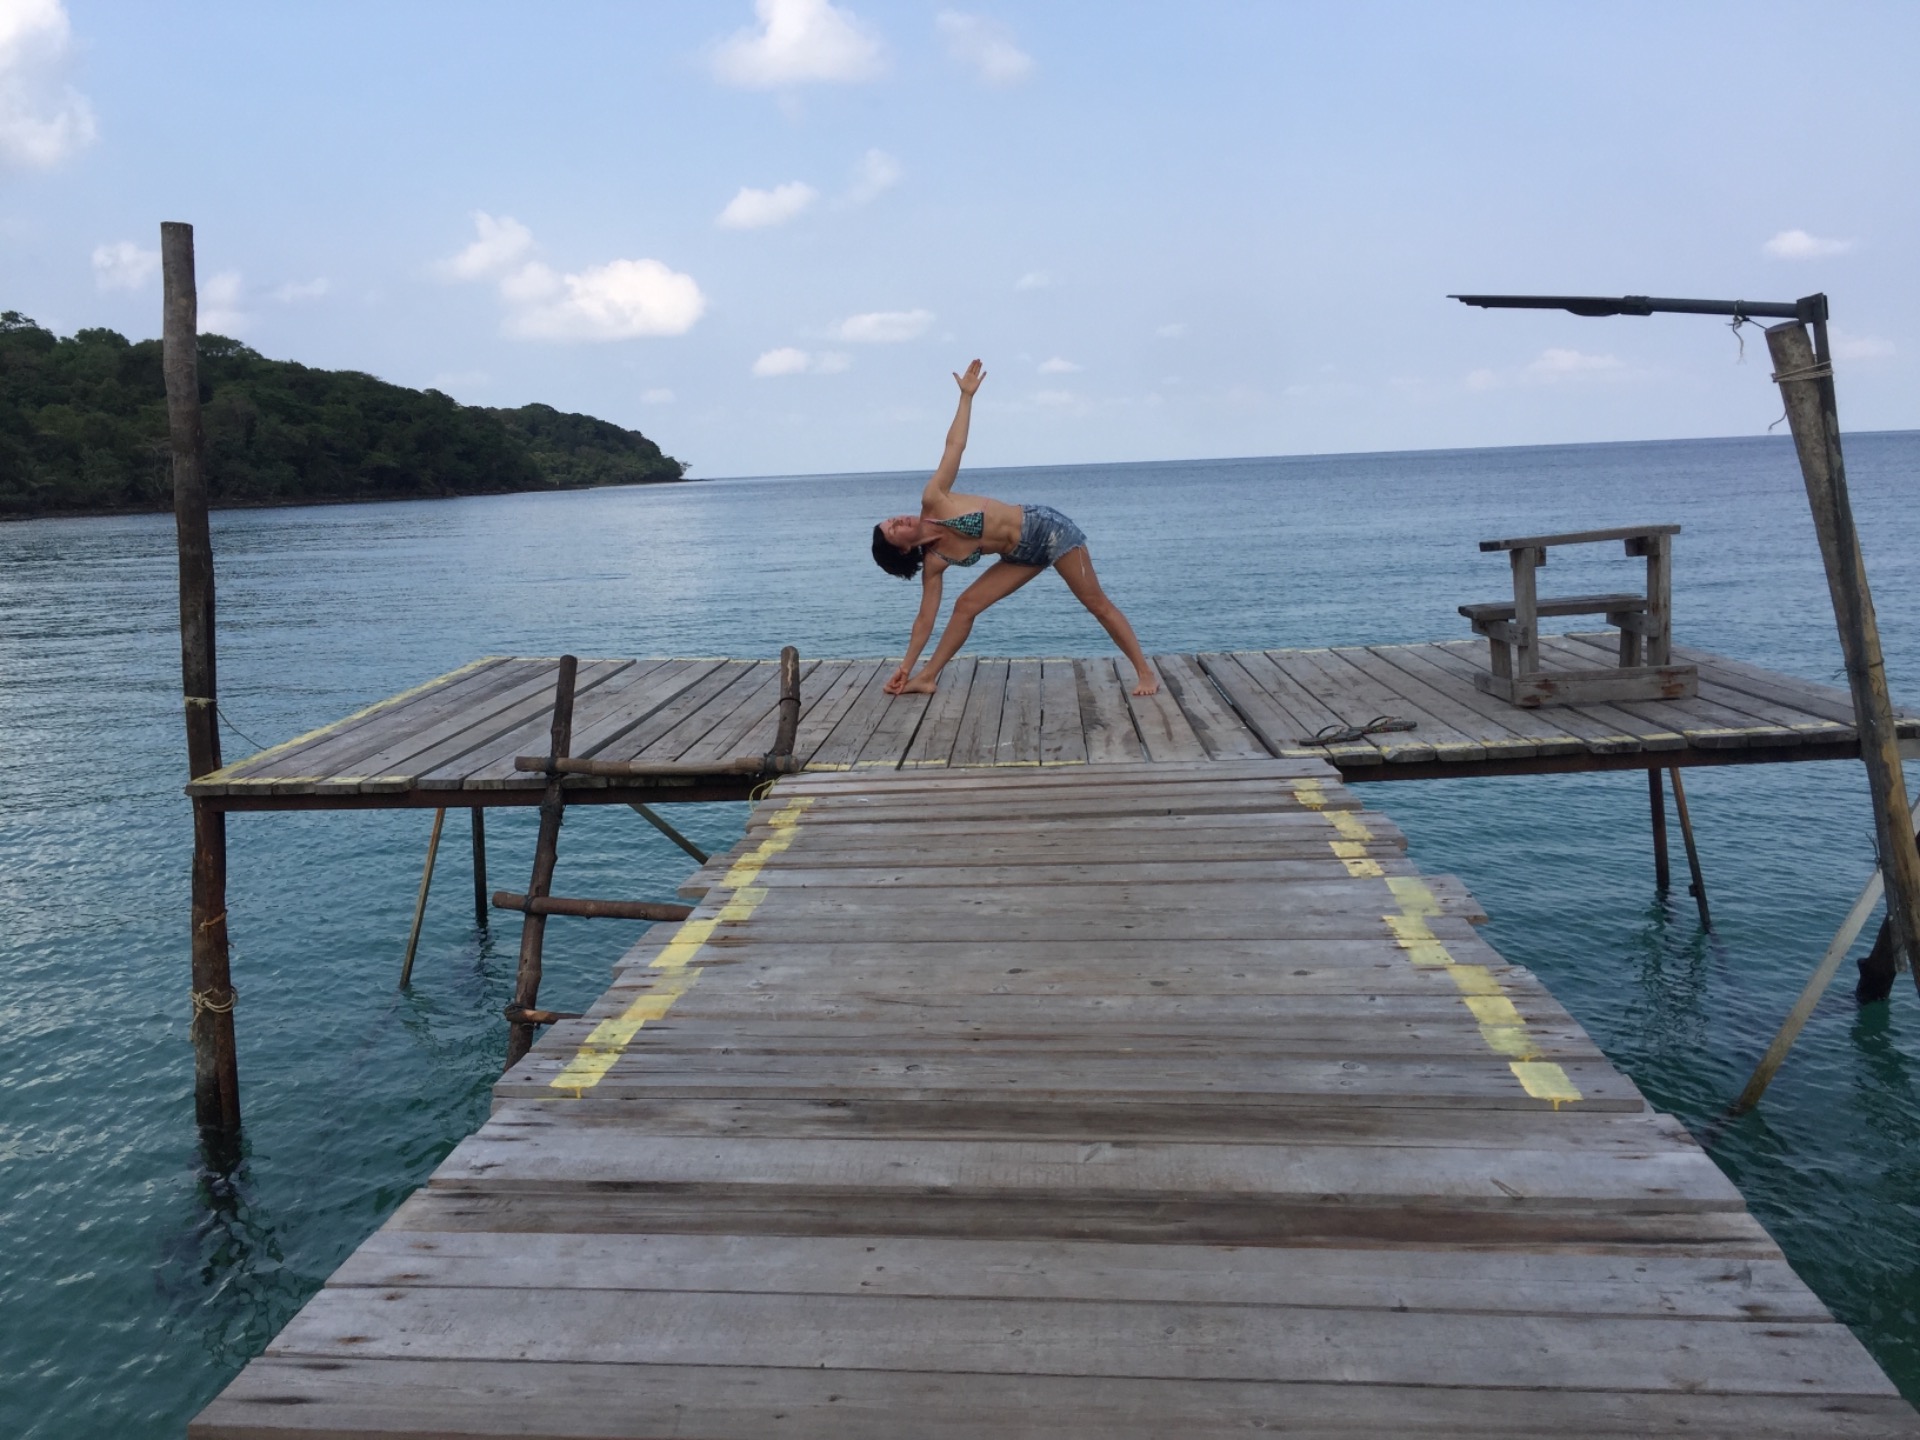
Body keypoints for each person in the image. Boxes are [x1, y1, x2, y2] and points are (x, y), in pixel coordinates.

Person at [871, 360, 1159, 697]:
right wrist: (905, 666)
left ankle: (1145, 672)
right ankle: (926, 677)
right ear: (903, 550)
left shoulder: (934, 500)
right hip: (1021, 556)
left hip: (1048, 530)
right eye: (894, 529)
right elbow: (924, 620)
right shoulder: (934, 563)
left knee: (1096, 603)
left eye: (893, 518)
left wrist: (966, 398)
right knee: (966, 606)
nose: (899, 520)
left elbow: (954, 447)